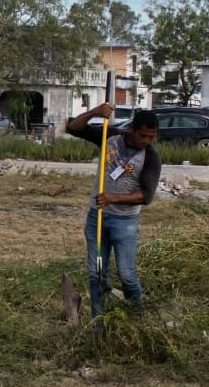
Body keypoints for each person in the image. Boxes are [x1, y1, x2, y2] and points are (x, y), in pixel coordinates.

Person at [65, 105, 161, 321]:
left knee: (126, 275)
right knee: (97, 273)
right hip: (97, 221)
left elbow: (146, 196)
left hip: (124, 225)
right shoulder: (111, 137)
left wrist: (112, 198)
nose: (146, 140)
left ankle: (137, 318)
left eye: (151, 136)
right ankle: (99, 320)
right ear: (132, 129)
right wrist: (94, 113)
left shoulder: (151, 156)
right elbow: (74, 128)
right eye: (142, 135)